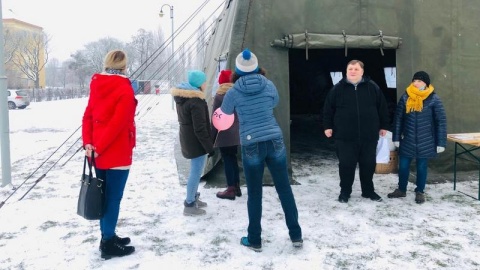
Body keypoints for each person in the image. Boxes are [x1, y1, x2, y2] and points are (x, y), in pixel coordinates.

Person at [221, 49, 303, 252]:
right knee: (284, 189)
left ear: (238, 70)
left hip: (251, 143)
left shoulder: (233, 92)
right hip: (274, 139)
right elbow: (274, 102)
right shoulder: (269, 85)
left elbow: (225, 112)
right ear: (257, 67)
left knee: (255, 194)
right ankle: (296, 235)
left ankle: (254, 239)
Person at [82, 50, 137, 259]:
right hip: (116, 152)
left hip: (97, 153)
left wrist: (89, 143)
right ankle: (107, 243)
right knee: (113, 199)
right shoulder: (124, 87)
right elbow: (118, 124)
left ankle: (108, 235)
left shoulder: (97, 84)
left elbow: (88, 115)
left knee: (105, 196)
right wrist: (99, 146)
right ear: (124, 66)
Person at [323, 60, 390, 203]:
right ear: (346, 71)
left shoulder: (373, 88)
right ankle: (345, 192)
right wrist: (327, 126)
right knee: (346, 165)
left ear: (362, 72)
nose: (353, 71)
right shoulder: (337, 89)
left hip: (369, 135)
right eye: (350, 69)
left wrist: (384, 125)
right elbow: (328, 109)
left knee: (368, 165)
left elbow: (383, 107)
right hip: (345, 136)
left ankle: (368, 191)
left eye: (356, 69)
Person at [388, 71, 447, 204]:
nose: (416, 83)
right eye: (414, 80)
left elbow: (440, 121)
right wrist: (396, 137)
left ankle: (420, 191)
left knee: (421, 167)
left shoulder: (434, 99)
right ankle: (401, 189)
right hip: (407, 139)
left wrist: (441, 142)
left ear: (425, 83)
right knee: (403, 166)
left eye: (419, 81)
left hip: (425, 140)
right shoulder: (405, 97)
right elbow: (398, 119)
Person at [171, 70, 214, 216]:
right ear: (198, 84)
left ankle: (194, 197)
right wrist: (209, 147)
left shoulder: (183, 98)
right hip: (196, 142)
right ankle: (189, 204)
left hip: (188, 139)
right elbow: (200, 128)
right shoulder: (196, 101)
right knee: (196, 172)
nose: (205, 84)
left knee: (196, 171)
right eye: (204, 81)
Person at [211, 69, 242, 200]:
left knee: (227, 159)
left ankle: (230, 189)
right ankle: (236, 186)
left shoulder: (219, 96)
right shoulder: (239, 94)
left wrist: (212, 138)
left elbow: (215, 118)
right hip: (237, 133)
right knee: (233, 158)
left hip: (224, 134)